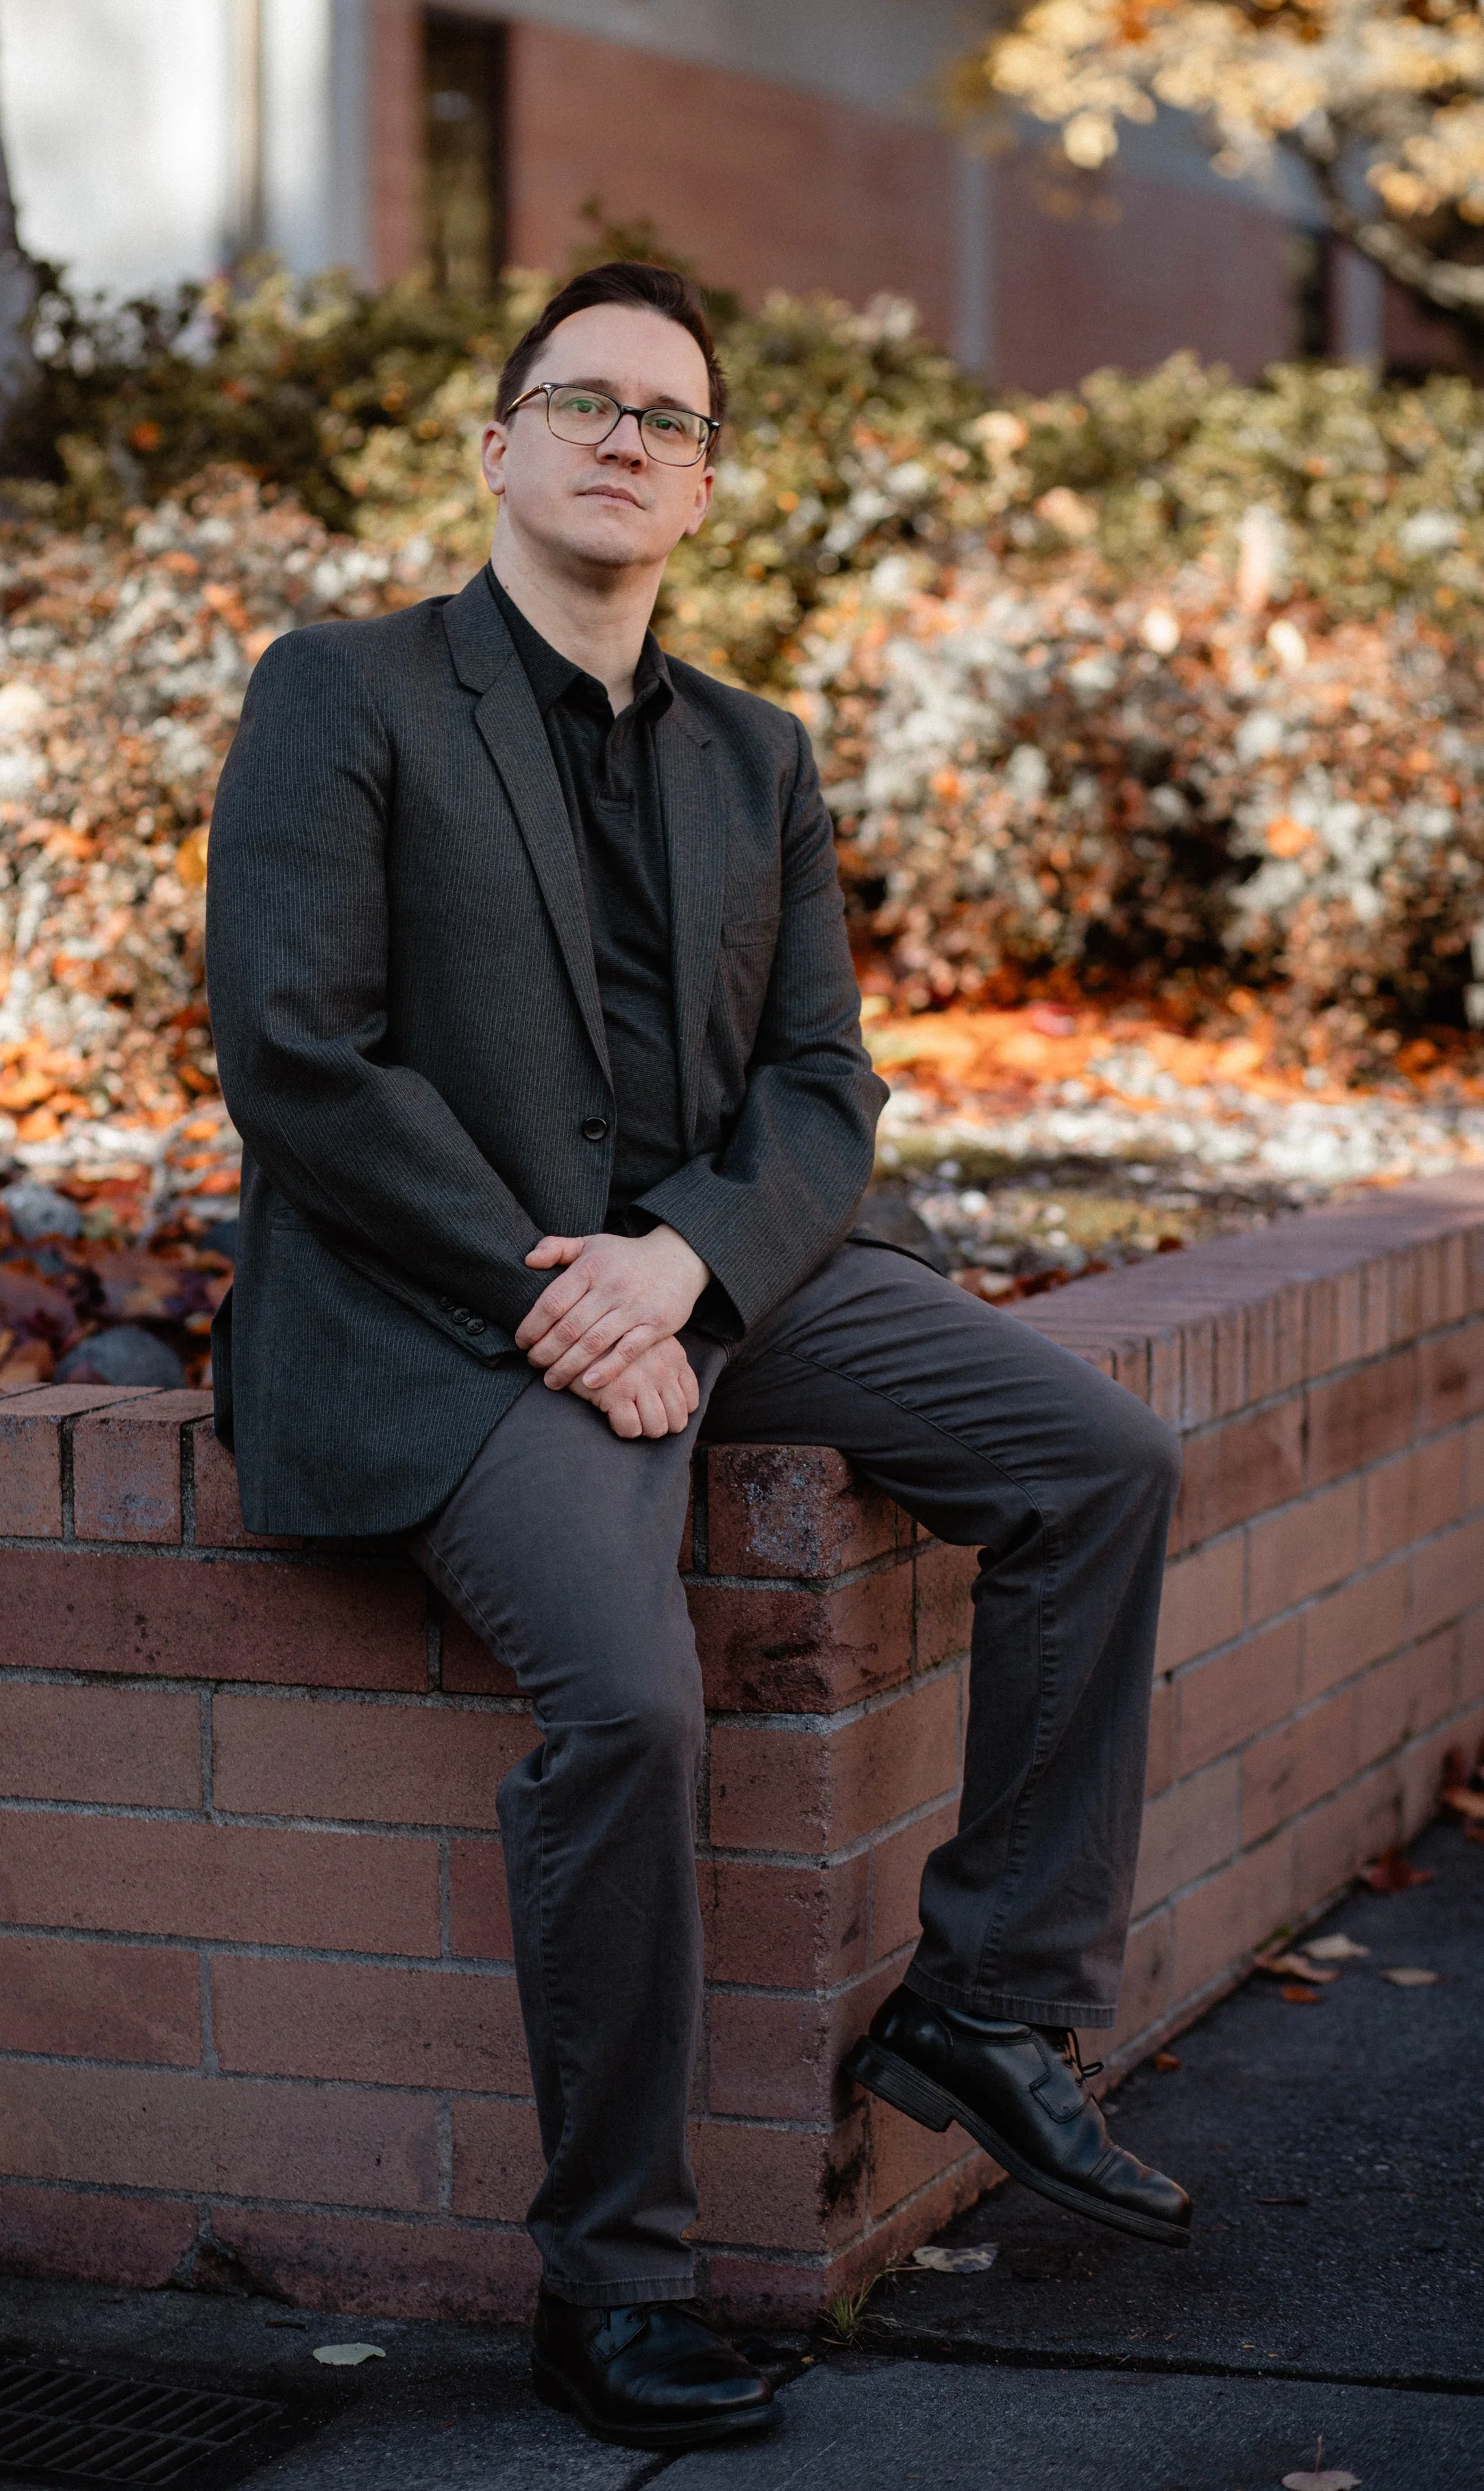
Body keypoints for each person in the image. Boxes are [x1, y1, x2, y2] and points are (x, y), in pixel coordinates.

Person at [205, 262, 1189, 2456]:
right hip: (433, 1302)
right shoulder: (344, 694)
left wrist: (683, 1270)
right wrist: (555, 1291)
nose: (625, 437)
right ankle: (613, 2287)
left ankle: (992, 2003)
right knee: (632, 1701)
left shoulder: (758, 753)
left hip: (704, 1275)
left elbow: (825, 1090)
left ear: (708, 483)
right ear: (497, 447)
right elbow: (294, 1049)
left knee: (1098, 1458)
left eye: (669, 416)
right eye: (582, 400)